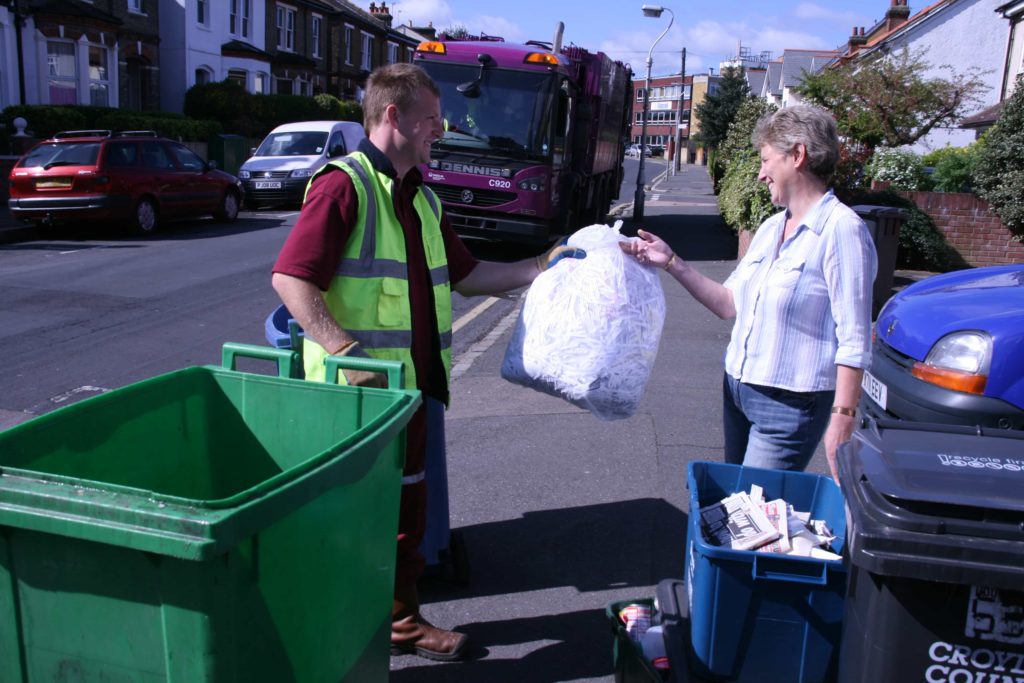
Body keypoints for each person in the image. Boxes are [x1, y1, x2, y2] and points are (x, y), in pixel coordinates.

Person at [271, 63, 582, 662]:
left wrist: (542, 266)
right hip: (355, 401)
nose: (442, 130)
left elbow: (470, 275)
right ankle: (346, 632)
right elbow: (291, 278)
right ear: (394, 116)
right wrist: (344, 351)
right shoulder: (345, 186)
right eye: (433, 119)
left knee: (404, 512)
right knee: (358, 516)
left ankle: (399, 622)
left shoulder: (423, 199)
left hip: (408, 395)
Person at [620, 105, 876, 482]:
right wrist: (671, 261)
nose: (760, 173)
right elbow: (728, 303)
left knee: (753, 509)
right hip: (738, 392)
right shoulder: (772, 227)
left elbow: (854, 338)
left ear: (798, 155)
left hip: (789, 405)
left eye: (766, 160)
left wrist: (843, 416)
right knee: (735, 506)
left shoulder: (842, 230)